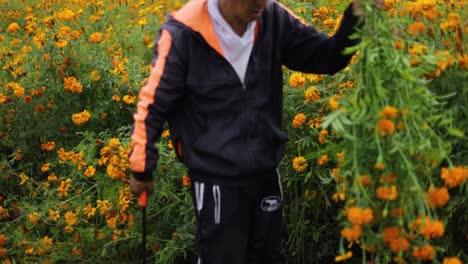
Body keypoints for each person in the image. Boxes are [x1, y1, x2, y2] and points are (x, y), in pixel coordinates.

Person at [128, 0, 384, 263]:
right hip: (216, 178)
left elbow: (327, 57)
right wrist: (142, 166)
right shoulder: (184, 32)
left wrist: (355, 16)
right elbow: (153, 104)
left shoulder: (273, 18)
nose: (260, 4)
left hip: (265, 172)